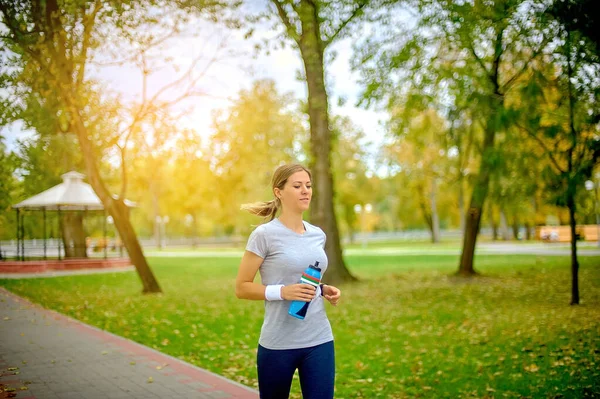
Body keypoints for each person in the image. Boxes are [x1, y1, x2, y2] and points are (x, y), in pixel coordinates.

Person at [235, 163, 342, 399]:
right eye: (297, 185)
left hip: (319, 339)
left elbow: (304, 276)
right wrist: (282, 292)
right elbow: (242, 288)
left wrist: (323, 289)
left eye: (308, 185)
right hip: (278, 344)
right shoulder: (264, 235)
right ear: (278, 191)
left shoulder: (317, 234)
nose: (305, 190)